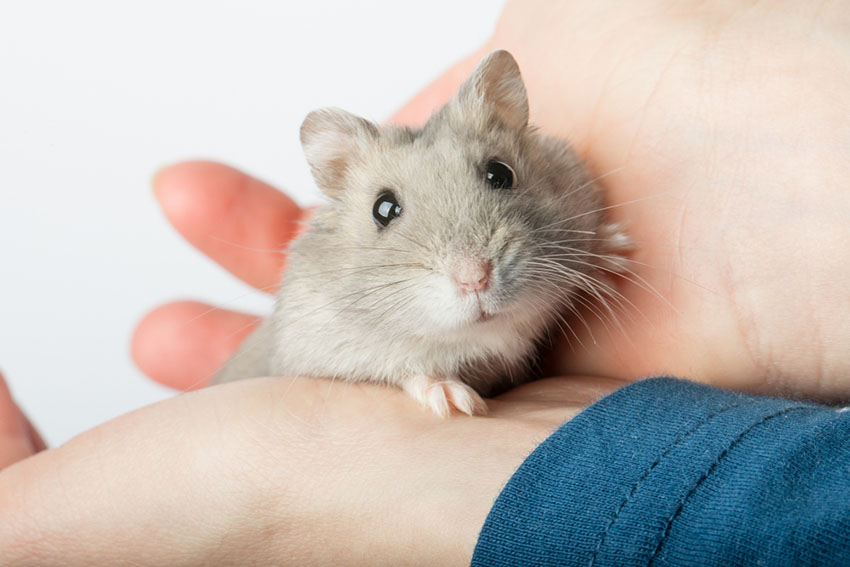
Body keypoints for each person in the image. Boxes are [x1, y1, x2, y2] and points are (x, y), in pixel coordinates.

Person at [2, 0, 849, 564]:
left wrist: (587, 252)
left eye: (493, 176)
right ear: (342, 189)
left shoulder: (556, 176)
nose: (471, 271)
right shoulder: (323, 285)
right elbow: (306, 342)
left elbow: (571, 183)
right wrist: (414, 368)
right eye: (387, 209)